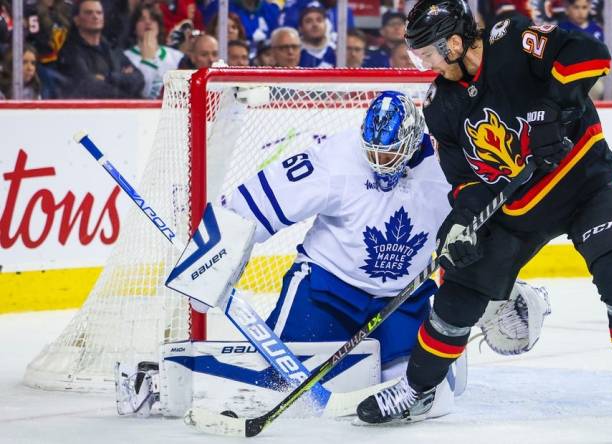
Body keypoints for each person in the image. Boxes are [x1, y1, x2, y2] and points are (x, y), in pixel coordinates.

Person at [356, 1, 612, 442]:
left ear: (454, 43)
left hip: (586, 184)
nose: (425, 64)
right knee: (457, 297)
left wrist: (556, 108)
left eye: (427, 53)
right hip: (515, 211)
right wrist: (461, 222)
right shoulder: (440, 106)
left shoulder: (510, 39)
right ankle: (416, 389)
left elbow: (591, 54)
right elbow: (466, 182)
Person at [115, 91, 552, 416]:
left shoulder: (451, 169)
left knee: (431, 398)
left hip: (404, 300)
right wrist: (207, 266)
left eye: (390, 153)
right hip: (325, 290)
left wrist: (503, 289)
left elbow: (488, 234)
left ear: (415, 142)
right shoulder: (333, 158)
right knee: (275, 386)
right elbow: (248, 205)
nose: (380, 160)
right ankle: (156, 375)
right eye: (374, 150)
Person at [57, 0, 144, 98]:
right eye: (88, 13)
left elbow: (139, 79)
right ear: (77, 20)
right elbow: (90, 87)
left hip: (125, 109)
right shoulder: (71, 52)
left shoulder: (112, 48)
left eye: (99, 13)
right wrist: (125, 84)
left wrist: (108, 78)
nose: (95, 16)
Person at [558, 0, 612, 99]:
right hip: (574, 76)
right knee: (596, 89)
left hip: (600, 74)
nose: (581, 12)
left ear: (589, 8)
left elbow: (608, 55)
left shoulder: (598, 30)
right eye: (576, 7)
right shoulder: (561, 30)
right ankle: (587, 114)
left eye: (584, 7)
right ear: (567, 9)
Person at [124, 4, 183, 99]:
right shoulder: (125, 58)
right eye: (142, 19)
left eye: (153, 19)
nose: (148, 22)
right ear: (134, 27)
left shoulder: (177, 56)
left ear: (159, 26)